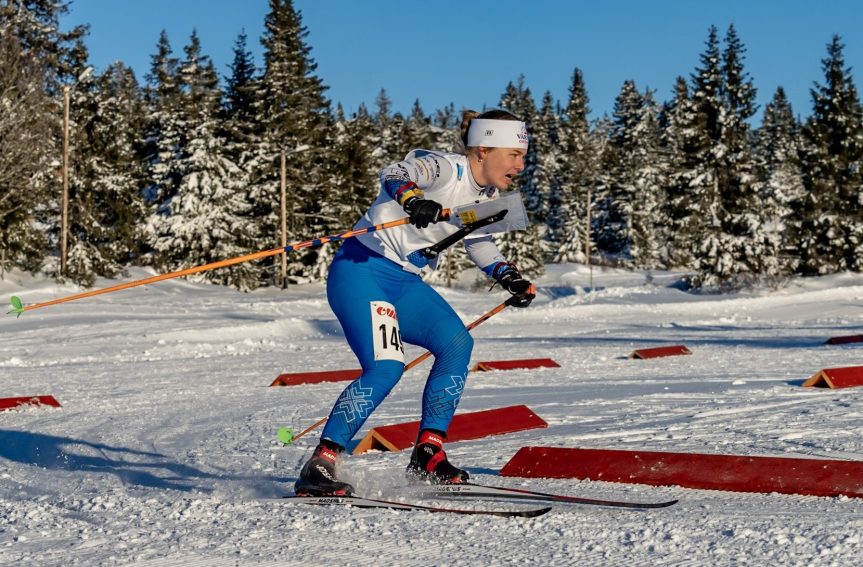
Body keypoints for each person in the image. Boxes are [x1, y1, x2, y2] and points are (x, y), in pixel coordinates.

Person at [294, 109, 536, 496]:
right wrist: (411, 199)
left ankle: (428, 455)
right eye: (514, 154)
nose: (520, 165)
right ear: (483, 149)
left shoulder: (489, 195)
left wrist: (507, 275)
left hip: (405, 281)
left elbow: (476, 239)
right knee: (387, 366)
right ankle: (321, 462)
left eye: (522, 156)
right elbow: (394, 172)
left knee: (456, 343)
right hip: (363, 270)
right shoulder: (446, 169)